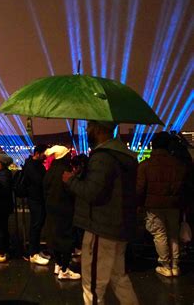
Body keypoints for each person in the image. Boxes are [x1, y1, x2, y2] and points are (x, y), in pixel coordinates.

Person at [63, 121, 139, 305]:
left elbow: (92, 193)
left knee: (93, 286)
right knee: (119, 278)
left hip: (101, 228)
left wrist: (70, 180)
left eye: (88, 127)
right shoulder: (123, 156)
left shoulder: (102, 157)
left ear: (97, 129)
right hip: (118, 227)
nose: (87, 131)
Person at [137, 131, 189, 277]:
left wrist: (139, 204)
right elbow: (184, 186)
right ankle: (175, 265)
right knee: (173, 234)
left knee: (160, 234)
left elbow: (140, 189)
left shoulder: (145, 165)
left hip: (153, 205)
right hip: (174, 204)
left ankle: (165, 265)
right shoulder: (178, 165)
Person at [43, 146, 81, 280]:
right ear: (65, 156)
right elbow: (71, 190)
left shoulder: (50, 171)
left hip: (51, 209)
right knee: (66, 239)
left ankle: (58, 265)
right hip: (65, 209)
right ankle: (65, 270)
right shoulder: (65, 171)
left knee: (55, 238)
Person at [23, 144, 49, 265]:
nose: (45, 157)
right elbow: (39, 181)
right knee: (36, 225)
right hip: (35, 199)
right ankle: (33, 253)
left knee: (38, 225)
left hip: (38, 199)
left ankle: (36, 251)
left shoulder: (36, 164)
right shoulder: (31, 166)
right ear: (37, 154)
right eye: (44, 154)